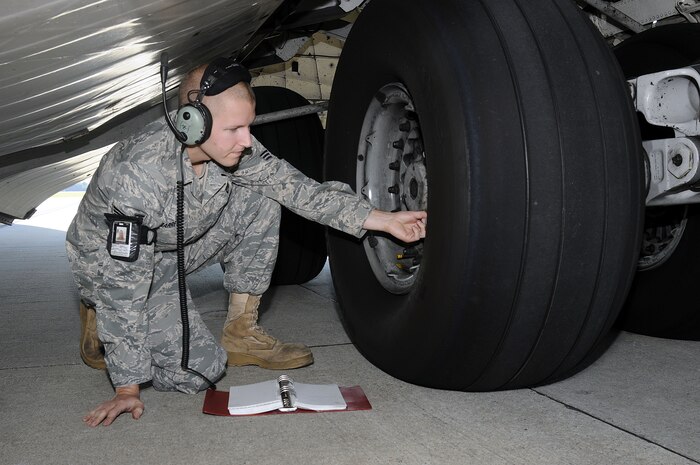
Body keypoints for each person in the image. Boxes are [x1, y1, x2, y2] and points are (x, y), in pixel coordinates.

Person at [66, 57, 427, 427]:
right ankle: (93, 311)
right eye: (234, 128)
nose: (247, 140)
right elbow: (122, 283)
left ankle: (241, 330)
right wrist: (127, 386)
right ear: (192, 122)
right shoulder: (136, 175)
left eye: (248, 126)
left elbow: (298, 190)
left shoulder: (235, 149)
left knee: (265, 195)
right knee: (193, 374)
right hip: (111, 266)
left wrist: (384, 219)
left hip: (174, 244)